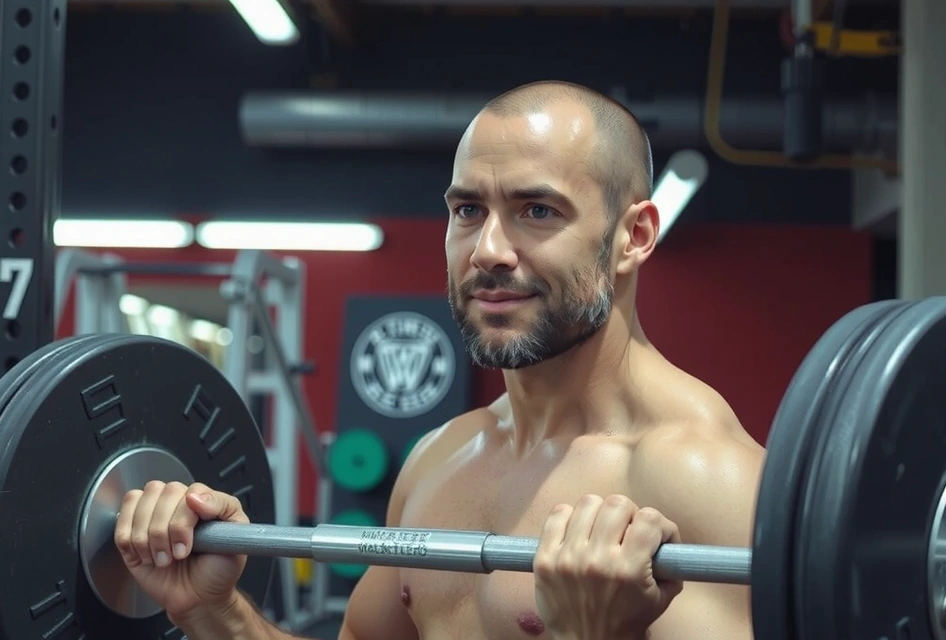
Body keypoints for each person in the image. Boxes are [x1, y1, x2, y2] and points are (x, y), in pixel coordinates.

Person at [114, 80, 766, 640]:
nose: (487, 250)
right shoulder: (441, 457)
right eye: (468, 210)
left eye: (536, 210)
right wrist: (212, 608)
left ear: (634, 236)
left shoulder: (706, 482)